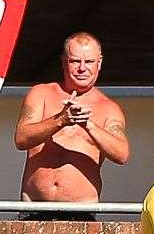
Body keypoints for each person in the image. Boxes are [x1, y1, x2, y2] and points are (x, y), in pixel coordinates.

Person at [14, 32, 129, 221]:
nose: (82, 68)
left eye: (89, 62)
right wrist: (61, 120)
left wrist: (88, 125)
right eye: (75, 61)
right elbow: (21, 139)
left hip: (80, 214)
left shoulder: (109, 108)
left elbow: (122, 154)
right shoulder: (41, 93)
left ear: (99, 63)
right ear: (64, 62)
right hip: (34, 209)